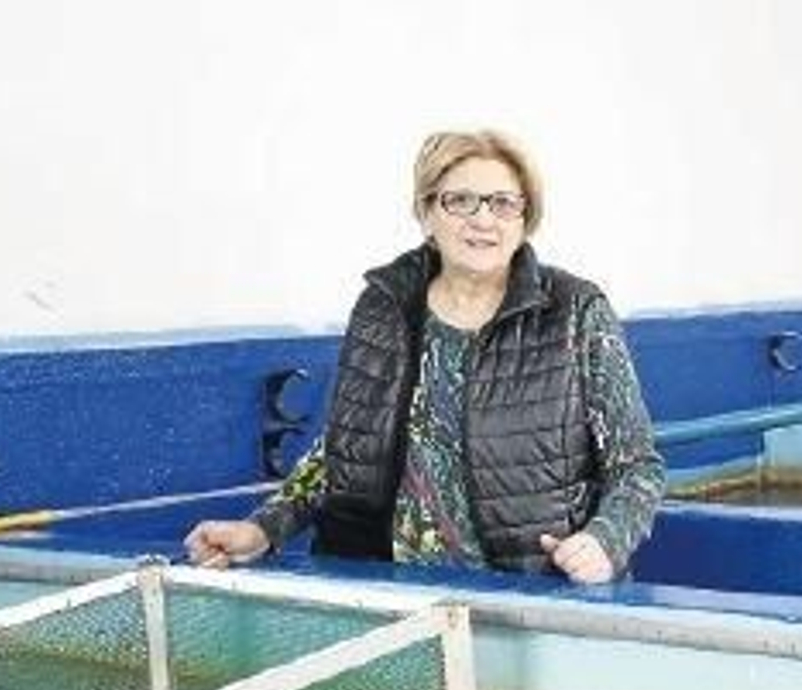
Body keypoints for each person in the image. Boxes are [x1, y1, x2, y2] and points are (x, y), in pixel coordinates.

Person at [185, 130, 664, 584]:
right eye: (459, 201)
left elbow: (637, 466)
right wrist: (264, 529)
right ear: (426, 212)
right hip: (395, 600)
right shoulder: (383, 306)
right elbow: (343, 450)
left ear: (525, 218)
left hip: (532, 600)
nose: (482, 219)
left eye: (503, 203)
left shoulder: (576, 311)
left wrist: (605, 541)